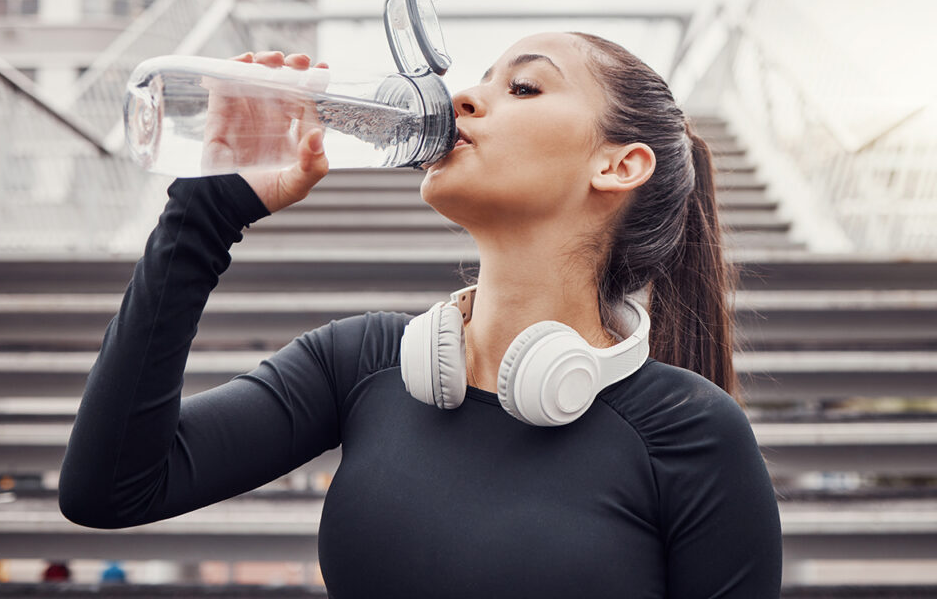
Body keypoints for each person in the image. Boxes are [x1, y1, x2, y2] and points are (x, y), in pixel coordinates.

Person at [59, 32, 783, 597]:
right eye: (480, 79)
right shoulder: (358, 366)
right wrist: (204, 212)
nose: (465, 97)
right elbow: (110, 489)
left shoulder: (692, 435)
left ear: (618, 166)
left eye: (523, 85)